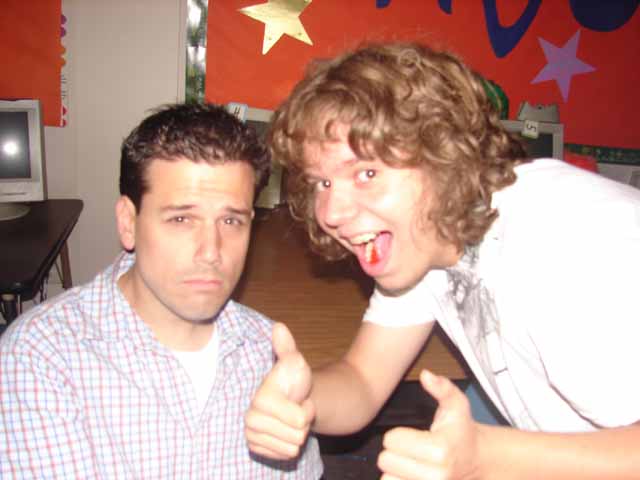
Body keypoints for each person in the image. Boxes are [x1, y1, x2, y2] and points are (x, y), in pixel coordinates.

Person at [244, 42, 640, 479]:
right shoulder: (428, 239)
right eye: (322, 182)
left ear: (441, 153)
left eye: (367, 173)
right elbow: (362, 381)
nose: (332, 213)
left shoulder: (563, 249)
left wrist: (486, 458)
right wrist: (302, 400)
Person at [0, 103, 323, 479]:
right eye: (181, 218)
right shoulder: (40, 358)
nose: (211, 252)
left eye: (231, 220)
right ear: (128, 223)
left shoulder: (269, 355)